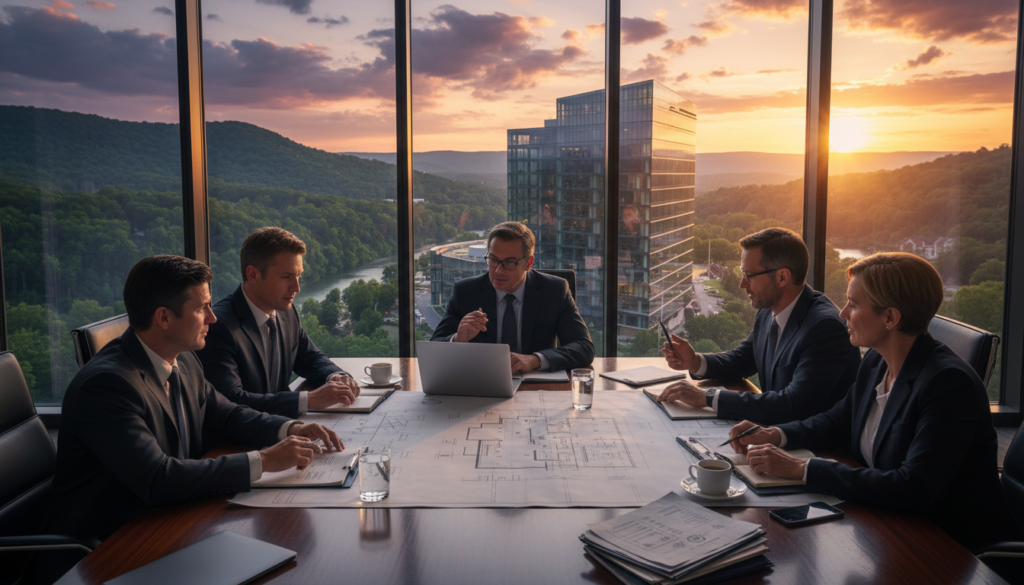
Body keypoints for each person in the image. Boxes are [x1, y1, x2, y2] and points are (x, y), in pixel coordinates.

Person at [32, 255, 343, 584]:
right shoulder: (108, 386)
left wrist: (290, 428)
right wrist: (263, 460)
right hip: (105, 550)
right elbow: (157, 478)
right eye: (202, 308)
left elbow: (226, 414)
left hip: (167, 522)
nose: (213, 317)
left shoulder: (184, 360)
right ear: (164, 317)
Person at [727, 252, 1016, 547]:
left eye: (853, 305)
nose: (842, 313)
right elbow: (838, 421)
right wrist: (776, 434)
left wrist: (801, 468)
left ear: (890, 317)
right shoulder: (877, 361)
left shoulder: (949, 386)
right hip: (885, 524)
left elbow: (913, 487)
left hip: (946, 546)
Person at [658, 228, 861, 424]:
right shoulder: (769, 308)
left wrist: (709, 397)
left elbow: (793, 405)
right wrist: (694, 361)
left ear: (782, 277)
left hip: (816, 449)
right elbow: (743, 359)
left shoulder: (825, 328)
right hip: (777, 437)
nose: (742, 284)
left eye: (749, 275)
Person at [197, 227, 358, 418]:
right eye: (286, 277)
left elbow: (310, 358)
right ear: (253, 275)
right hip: (238, 441)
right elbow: (231, 401)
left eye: (298, 275)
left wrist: (335, 377)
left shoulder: (285, 313)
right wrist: (309, 399)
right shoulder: (218, 326)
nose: (296, 287)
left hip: (281, 428)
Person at [430, 221, 594, 373]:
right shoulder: (466, 292)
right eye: (493, 260)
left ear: (528, 264)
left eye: (509, 263)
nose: (498, 271)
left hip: (537, 387)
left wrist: (535, 359)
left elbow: (583, 347)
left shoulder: (554, 291)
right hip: (482, 385)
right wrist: (458, 340)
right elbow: (433, 348)